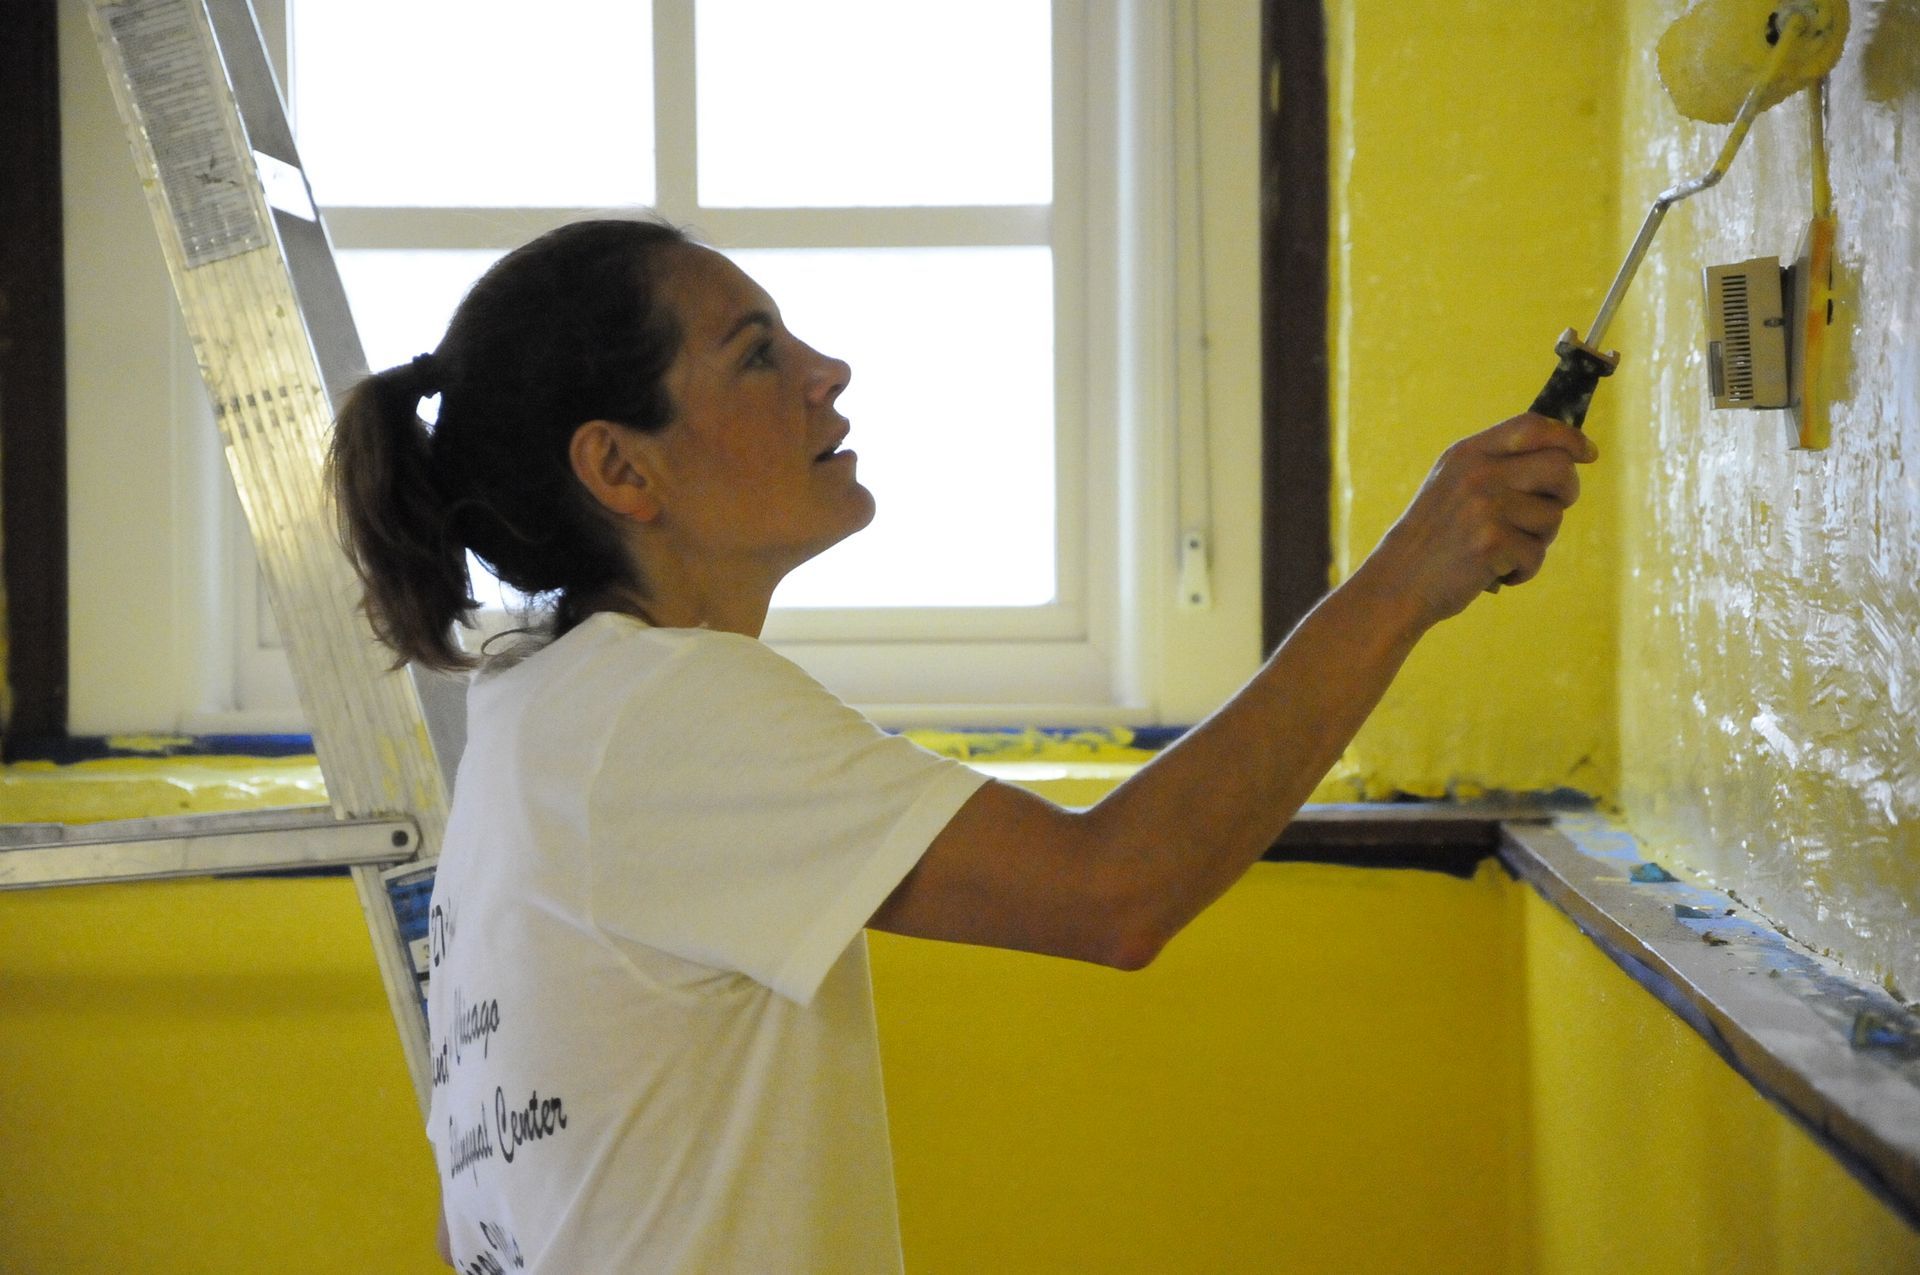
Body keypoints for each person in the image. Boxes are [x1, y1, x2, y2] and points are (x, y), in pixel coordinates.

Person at [328, 217, 1596, 1273]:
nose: (828, 370)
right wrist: (1409, 577)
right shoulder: (661, 713)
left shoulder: (538, 705)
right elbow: (1120, 892)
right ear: (620, 468)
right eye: (758, 355)